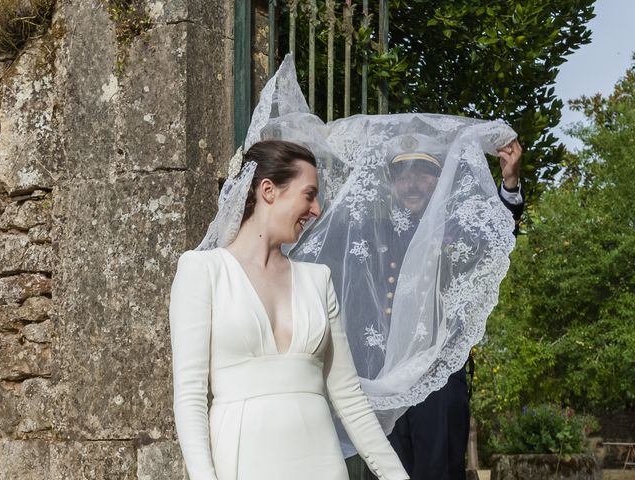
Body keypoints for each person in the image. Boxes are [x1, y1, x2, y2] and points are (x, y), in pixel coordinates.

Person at [169, 140, 409, 480]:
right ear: (269, 190)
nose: (317, 210)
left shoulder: (317, 280)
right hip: (241, 459)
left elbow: (350, 398)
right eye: (309, 194)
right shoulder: (202, 271)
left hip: (321, 461)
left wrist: (397, 477)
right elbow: (190, 396)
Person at [382, 137, 525, 480]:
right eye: (403, 175)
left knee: (438, 472)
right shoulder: (379, 231)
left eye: (422, 174)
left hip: (439, 379)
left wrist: (510, 182)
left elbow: (499, 229)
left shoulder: (458, 226)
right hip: (388, 379)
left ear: (439, 179)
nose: (411, 184)